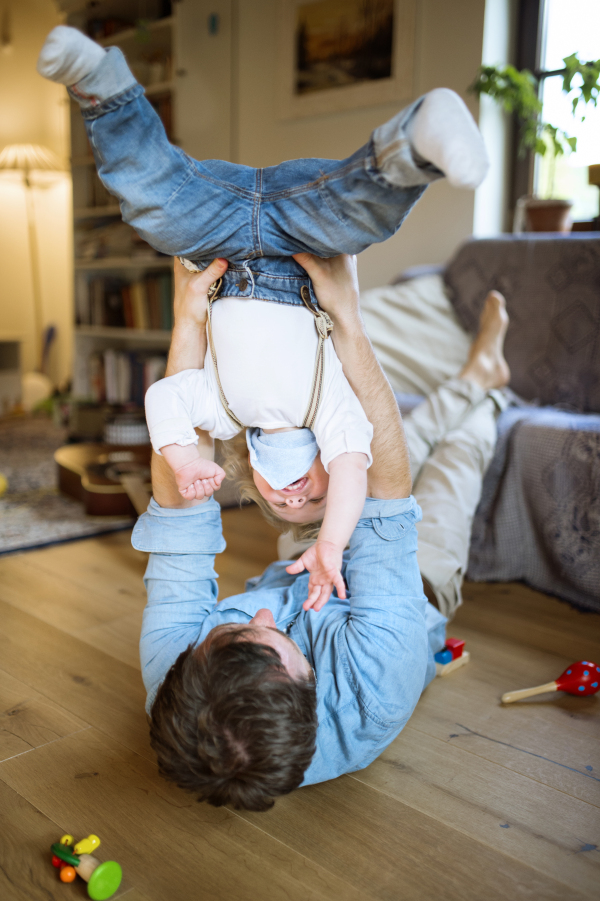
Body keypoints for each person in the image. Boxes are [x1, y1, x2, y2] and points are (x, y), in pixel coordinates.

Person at [37, 25, 489, 606]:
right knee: (361, 218)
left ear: (253, 475)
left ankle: (100, 86)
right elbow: (361, 474)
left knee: (151, 205)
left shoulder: (224, 414)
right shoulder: (332, 416)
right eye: (313, 501)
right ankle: (415, 143)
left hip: (216, 237)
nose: (295, 498)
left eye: (282, 505)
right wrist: (330, 541)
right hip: (304, 240)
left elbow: (164, 401)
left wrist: (181, 459)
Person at [132, 253, 509, 812]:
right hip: (408, 582)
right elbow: (387, 497)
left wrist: (188, 321)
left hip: (310, 565)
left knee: (397, 440)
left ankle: (472, 377)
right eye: (275, 637)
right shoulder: (373, 683)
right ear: (311, 684)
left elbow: (178, 514)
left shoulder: (174, 676)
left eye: (227, 634)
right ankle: (490, 385)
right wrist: (347, 320)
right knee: (457, 454)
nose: (260, 613)